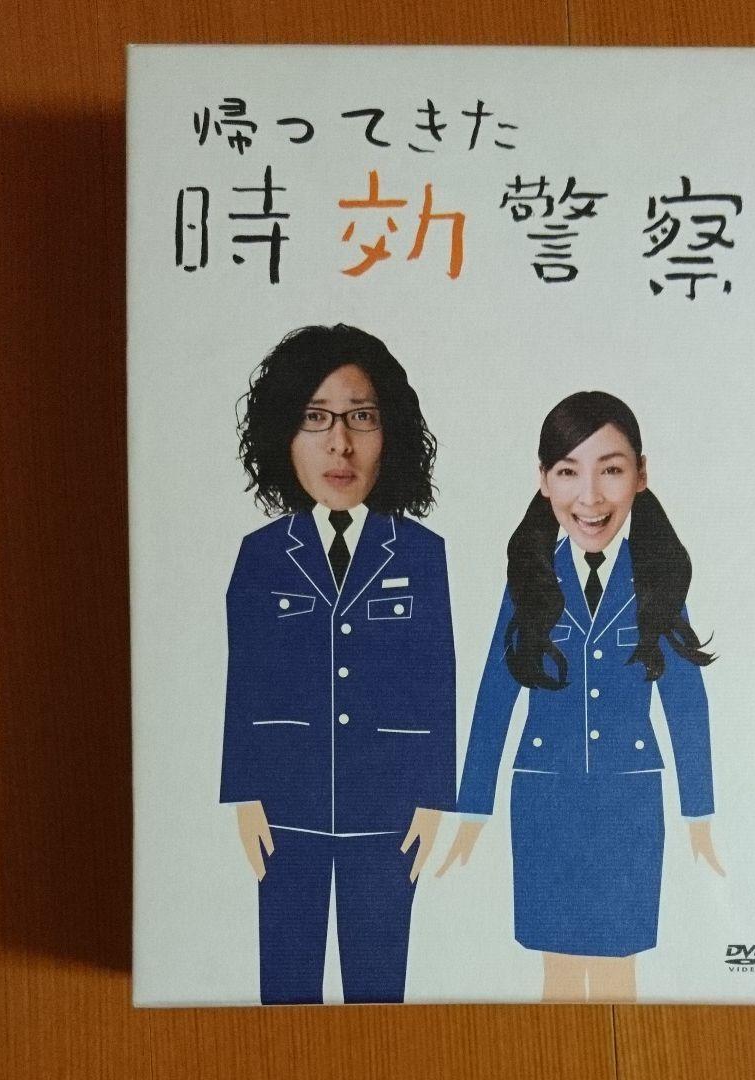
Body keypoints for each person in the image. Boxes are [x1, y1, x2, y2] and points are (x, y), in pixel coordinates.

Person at [437, 390, 724, 1002]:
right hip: (546, 797)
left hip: (629, 799)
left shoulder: (654, 578)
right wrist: (472, 809)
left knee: (620, 969)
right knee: (559, 970)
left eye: (610, 470)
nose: (590, 497)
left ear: (640, 475)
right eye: (568, 472)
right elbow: (494, 696)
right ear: (544, 481)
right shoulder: (532, 578)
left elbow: (685, 699)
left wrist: (698, 812)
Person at [220, 324, 455, 1004]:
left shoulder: (422, 553)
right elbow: (245, 675)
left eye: (362, 418)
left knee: (379, 990)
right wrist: (243, 793)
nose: (340, 444)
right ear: (283, 434)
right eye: (315, 418)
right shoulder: (262, 553)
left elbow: (436, 677)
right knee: (285, 986)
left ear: (391, 433)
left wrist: (434, 797)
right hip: (285, 802)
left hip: (388, 807)